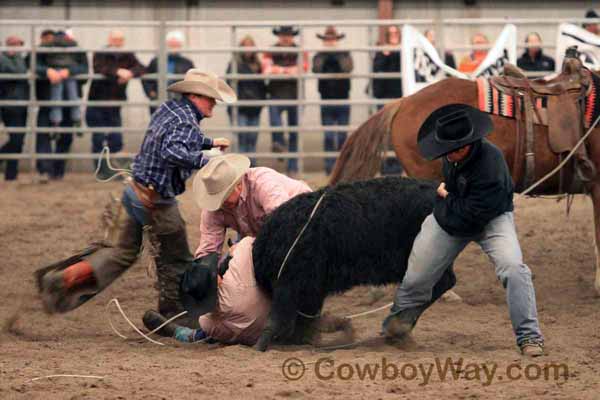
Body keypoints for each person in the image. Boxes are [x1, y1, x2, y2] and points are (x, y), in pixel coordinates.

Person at [39, 70, 235, 328]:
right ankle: (173, 313)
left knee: (121, 253)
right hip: (157, 200)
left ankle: (63, 279)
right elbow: (172, 149)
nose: (214, 103)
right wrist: (206, 158)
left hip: (136, 191)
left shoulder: (171, 109)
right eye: (210, 98)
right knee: (176, 259)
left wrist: (208, 142)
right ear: (195, 95)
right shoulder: (187, 121)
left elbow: (176, 138)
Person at [381, 104, 544, 357]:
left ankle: (529, 336)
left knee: (513, 269)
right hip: (452, 213)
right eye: (444, 149)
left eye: (452, 150)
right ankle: (396, 326)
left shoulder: (492, 165)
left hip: (490, 219)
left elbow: (473, 213)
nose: (447, 155)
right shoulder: (453, 156)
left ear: (468, 144)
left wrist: (445, 194)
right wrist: (448, 196)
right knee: (416, 277)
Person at [143, 237, 271, 345]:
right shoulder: (237, 275)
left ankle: (179, 333)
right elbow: (248, 241)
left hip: (247, 336)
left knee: (203, 335)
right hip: (270, 324)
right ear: (217, 279)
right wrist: (234, 250)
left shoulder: (207, 323)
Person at [193, 154, 312, 258]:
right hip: (260, 233)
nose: (219, 203)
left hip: (304, 223)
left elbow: (284, 226)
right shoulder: (213, 208)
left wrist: (246, 248)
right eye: (215, 197)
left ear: (238, 185)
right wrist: (208, 272)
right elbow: (208, 249)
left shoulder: (263, 184)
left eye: (223, 196)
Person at [87, 29, 145, 179]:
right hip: (97, 101)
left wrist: (130, 73)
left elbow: (141, 68)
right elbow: (100, 67)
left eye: (120, 40)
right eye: (115, 39)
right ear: (110, 40)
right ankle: (101, 171)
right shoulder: (100, 53)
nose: (118, 43)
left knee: (116, 138)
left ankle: (114, 170)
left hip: (115, 102)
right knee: (99, 137)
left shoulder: (127, 54)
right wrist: (118, 72)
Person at [33, 29, 88, 182]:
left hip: (70, 102)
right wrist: (47, 71)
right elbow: (34, 66)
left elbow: (84, 69)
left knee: (65, 137)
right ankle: (45, 170)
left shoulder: (77, 50)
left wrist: (68, 71)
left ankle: (57, 172)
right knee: (43, 135)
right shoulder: (42, 51)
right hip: (46, 99)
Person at [262, 25, 309, 174]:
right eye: (283, 34)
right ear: (279, 36)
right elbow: (267, 70)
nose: (285, 37)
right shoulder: (270, 50)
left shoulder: (301, 51)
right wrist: (290, 71)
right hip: (276, 93)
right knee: (275, 124)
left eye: (288, 35)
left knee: (295, 131)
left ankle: (293, 166)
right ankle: (279, 144)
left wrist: (279, 70)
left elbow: (303, 69)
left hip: (295, 94)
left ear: (292, 36)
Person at [313, 26, 353, 175]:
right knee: (329, 135)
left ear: (337, 40)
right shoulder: (319, 55)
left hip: (342, 97)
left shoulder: (344, 54)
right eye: (327, 39)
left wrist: (335, 55)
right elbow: (316, 68)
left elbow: (347, 68)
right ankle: (330, 168)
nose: (330, 42)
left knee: (342, 136)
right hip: (326, 99)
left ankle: (341, 167)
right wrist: (326, 55)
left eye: (332, 39)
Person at [226, 35, 267, 165]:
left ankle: (251, 167)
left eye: (250, 46)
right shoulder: (234, 64)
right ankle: (240, 168)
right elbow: (229, 83)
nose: (248, 49)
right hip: (240, 107)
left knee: (252, 139)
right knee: (241, 138)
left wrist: (261, 101)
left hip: (255, 107)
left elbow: (262, 85)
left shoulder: (259, 65)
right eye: (245, 46)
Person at [372, 25, 403, 175]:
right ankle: (385, 167)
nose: (393, 36)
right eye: (390, 33)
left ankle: (398, 166)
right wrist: (385, 55)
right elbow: (377, 70)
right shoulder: (381, 52)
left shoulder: (404, 51)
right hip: (384, 96)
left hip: (401, 97)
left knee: (398, 132)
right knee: (385, 134)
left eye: (395, 33)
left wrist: (392, 53)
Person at [142, 30, 194, 116]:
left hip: (180, 101)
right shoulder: (156, 61)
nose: (173, 47)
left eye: (176, 44)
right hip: (159, 100)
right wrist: (151, 93)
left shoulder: (187, 63)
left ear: (181, 46)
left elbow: (193, 82)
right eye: (171, 44)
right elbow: (146, 78)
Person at [0, 36, 29, 181]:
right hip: (8, 104)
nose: (17, 48)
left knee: (18, 140)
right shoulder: (4, 58)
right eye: (15, 45)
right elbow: (19, 71)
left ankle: (11, 174)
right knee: (16, 139)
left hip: (20, 104)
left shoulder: (20, 59)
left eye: (19, 45)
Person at [45, 30, 82, 128]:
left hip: (55, 71)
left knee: (56, 97)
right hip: (69, 71)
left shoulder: (50, 45)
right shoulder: (73, 44)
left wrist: (50, 70)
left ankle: (56, 121)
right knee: (73, 96)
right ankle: (77, 118)